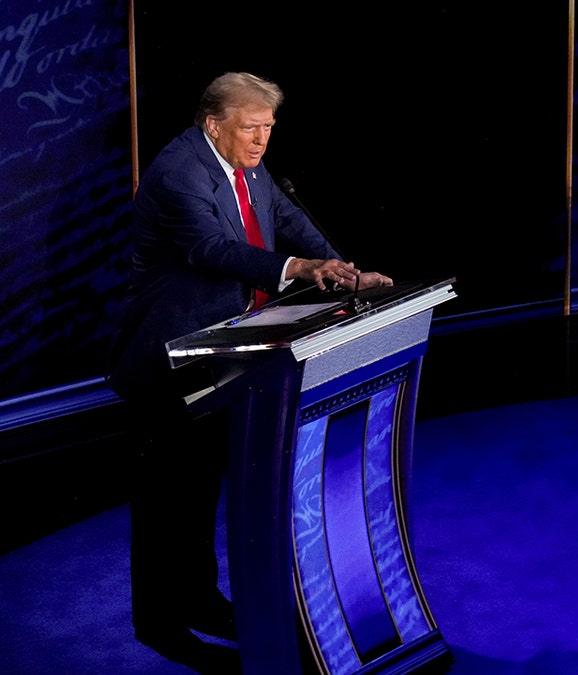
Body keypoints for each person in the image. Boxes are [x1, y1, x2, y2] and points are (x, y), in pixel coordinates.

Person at [107, 72, 392, 672]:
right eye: (250, 127)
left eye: (268, 127)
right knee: (166, 496)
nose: (261, 139)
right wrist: (301, 269)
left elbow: (286, 216)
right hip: (172, 357)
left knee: (201, 485)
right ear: (214, 124)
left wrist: (338, 267)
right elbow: (212, 248)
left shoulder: (247, 161)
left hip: (232, 352)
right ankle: (160, 625)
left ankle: (200, 599)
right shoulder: (178, 171)